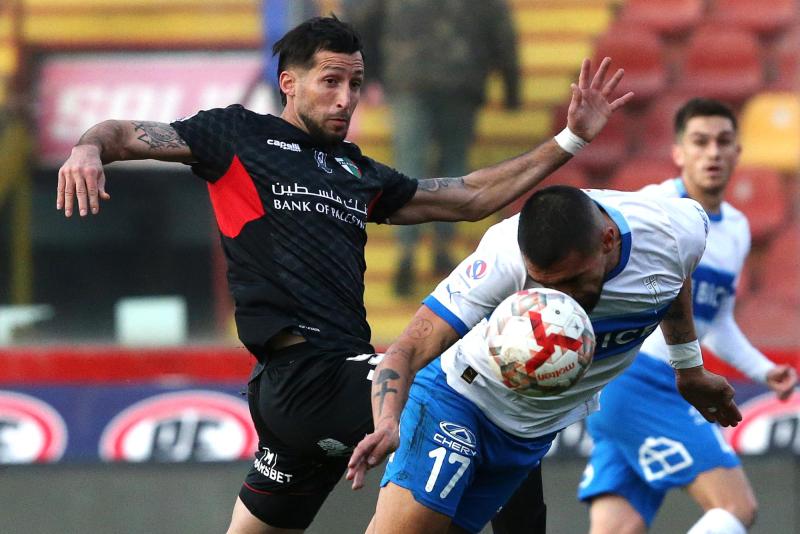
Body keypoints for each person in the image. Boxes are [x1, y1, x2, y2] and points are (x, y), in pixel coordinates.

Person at [55, 15, 633, 534]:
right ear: (289, 82)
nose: (345, 98)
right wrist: (87, 150)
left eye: (355, 84)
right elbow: (125, 132)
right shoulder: (236, 136)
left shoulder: (355, 171)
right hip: (305, 375)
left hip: (325, 389)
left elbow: (468, 196)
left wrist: (571, 139)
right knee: (491, 413)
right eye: (330, 81)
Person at [346, 184, 743, 534]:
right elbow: (409, 347)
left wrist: (688, 367)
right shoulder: (505, 254)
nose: (562, 302)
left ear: (607, 240)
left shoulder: (677, 229)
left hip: (529, 434)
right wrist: (386, 421)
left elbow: (676, 275)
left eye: (573, 281)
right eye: (544, 285)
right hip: (459, 396)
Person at [577, 98, 798, 534]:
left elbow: (714, 322)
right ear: (679, 152)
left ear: (738, 152)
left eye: (723, 142)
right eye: (700, 142)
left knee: (617, 528)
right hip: (639, 377)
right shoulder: (648, 209)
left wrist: (764, 369)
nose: (712, 153)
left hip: (658, 386)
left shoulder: (736, 229)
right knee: (736, 506)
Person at [345, 0, 520, 296]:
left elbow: (362, 19)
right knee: (454, 168)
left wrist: (367, 74)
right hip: (462, 78)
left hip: (407, 78)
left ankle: (407, 254)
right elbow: (502, 31)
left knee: (407, 169)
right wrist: (511, 88)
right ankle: (442, 248)